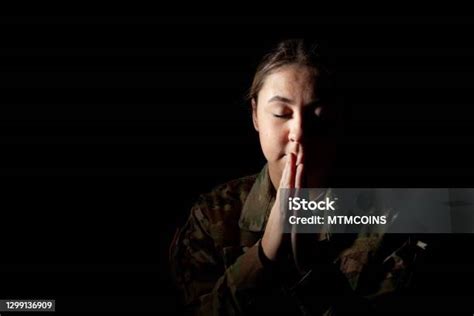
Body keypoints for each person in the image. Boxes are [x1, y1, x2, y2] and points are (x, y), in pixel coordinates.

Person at [169, 39, 427, 315]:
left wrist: (315, 273)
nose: (299, 133)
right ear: (256, 114)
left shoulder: (391, 221)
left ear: (339, 119)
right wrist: (264, 255)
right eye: (282, 113)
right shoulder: (212, 217)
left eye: (319, 115)